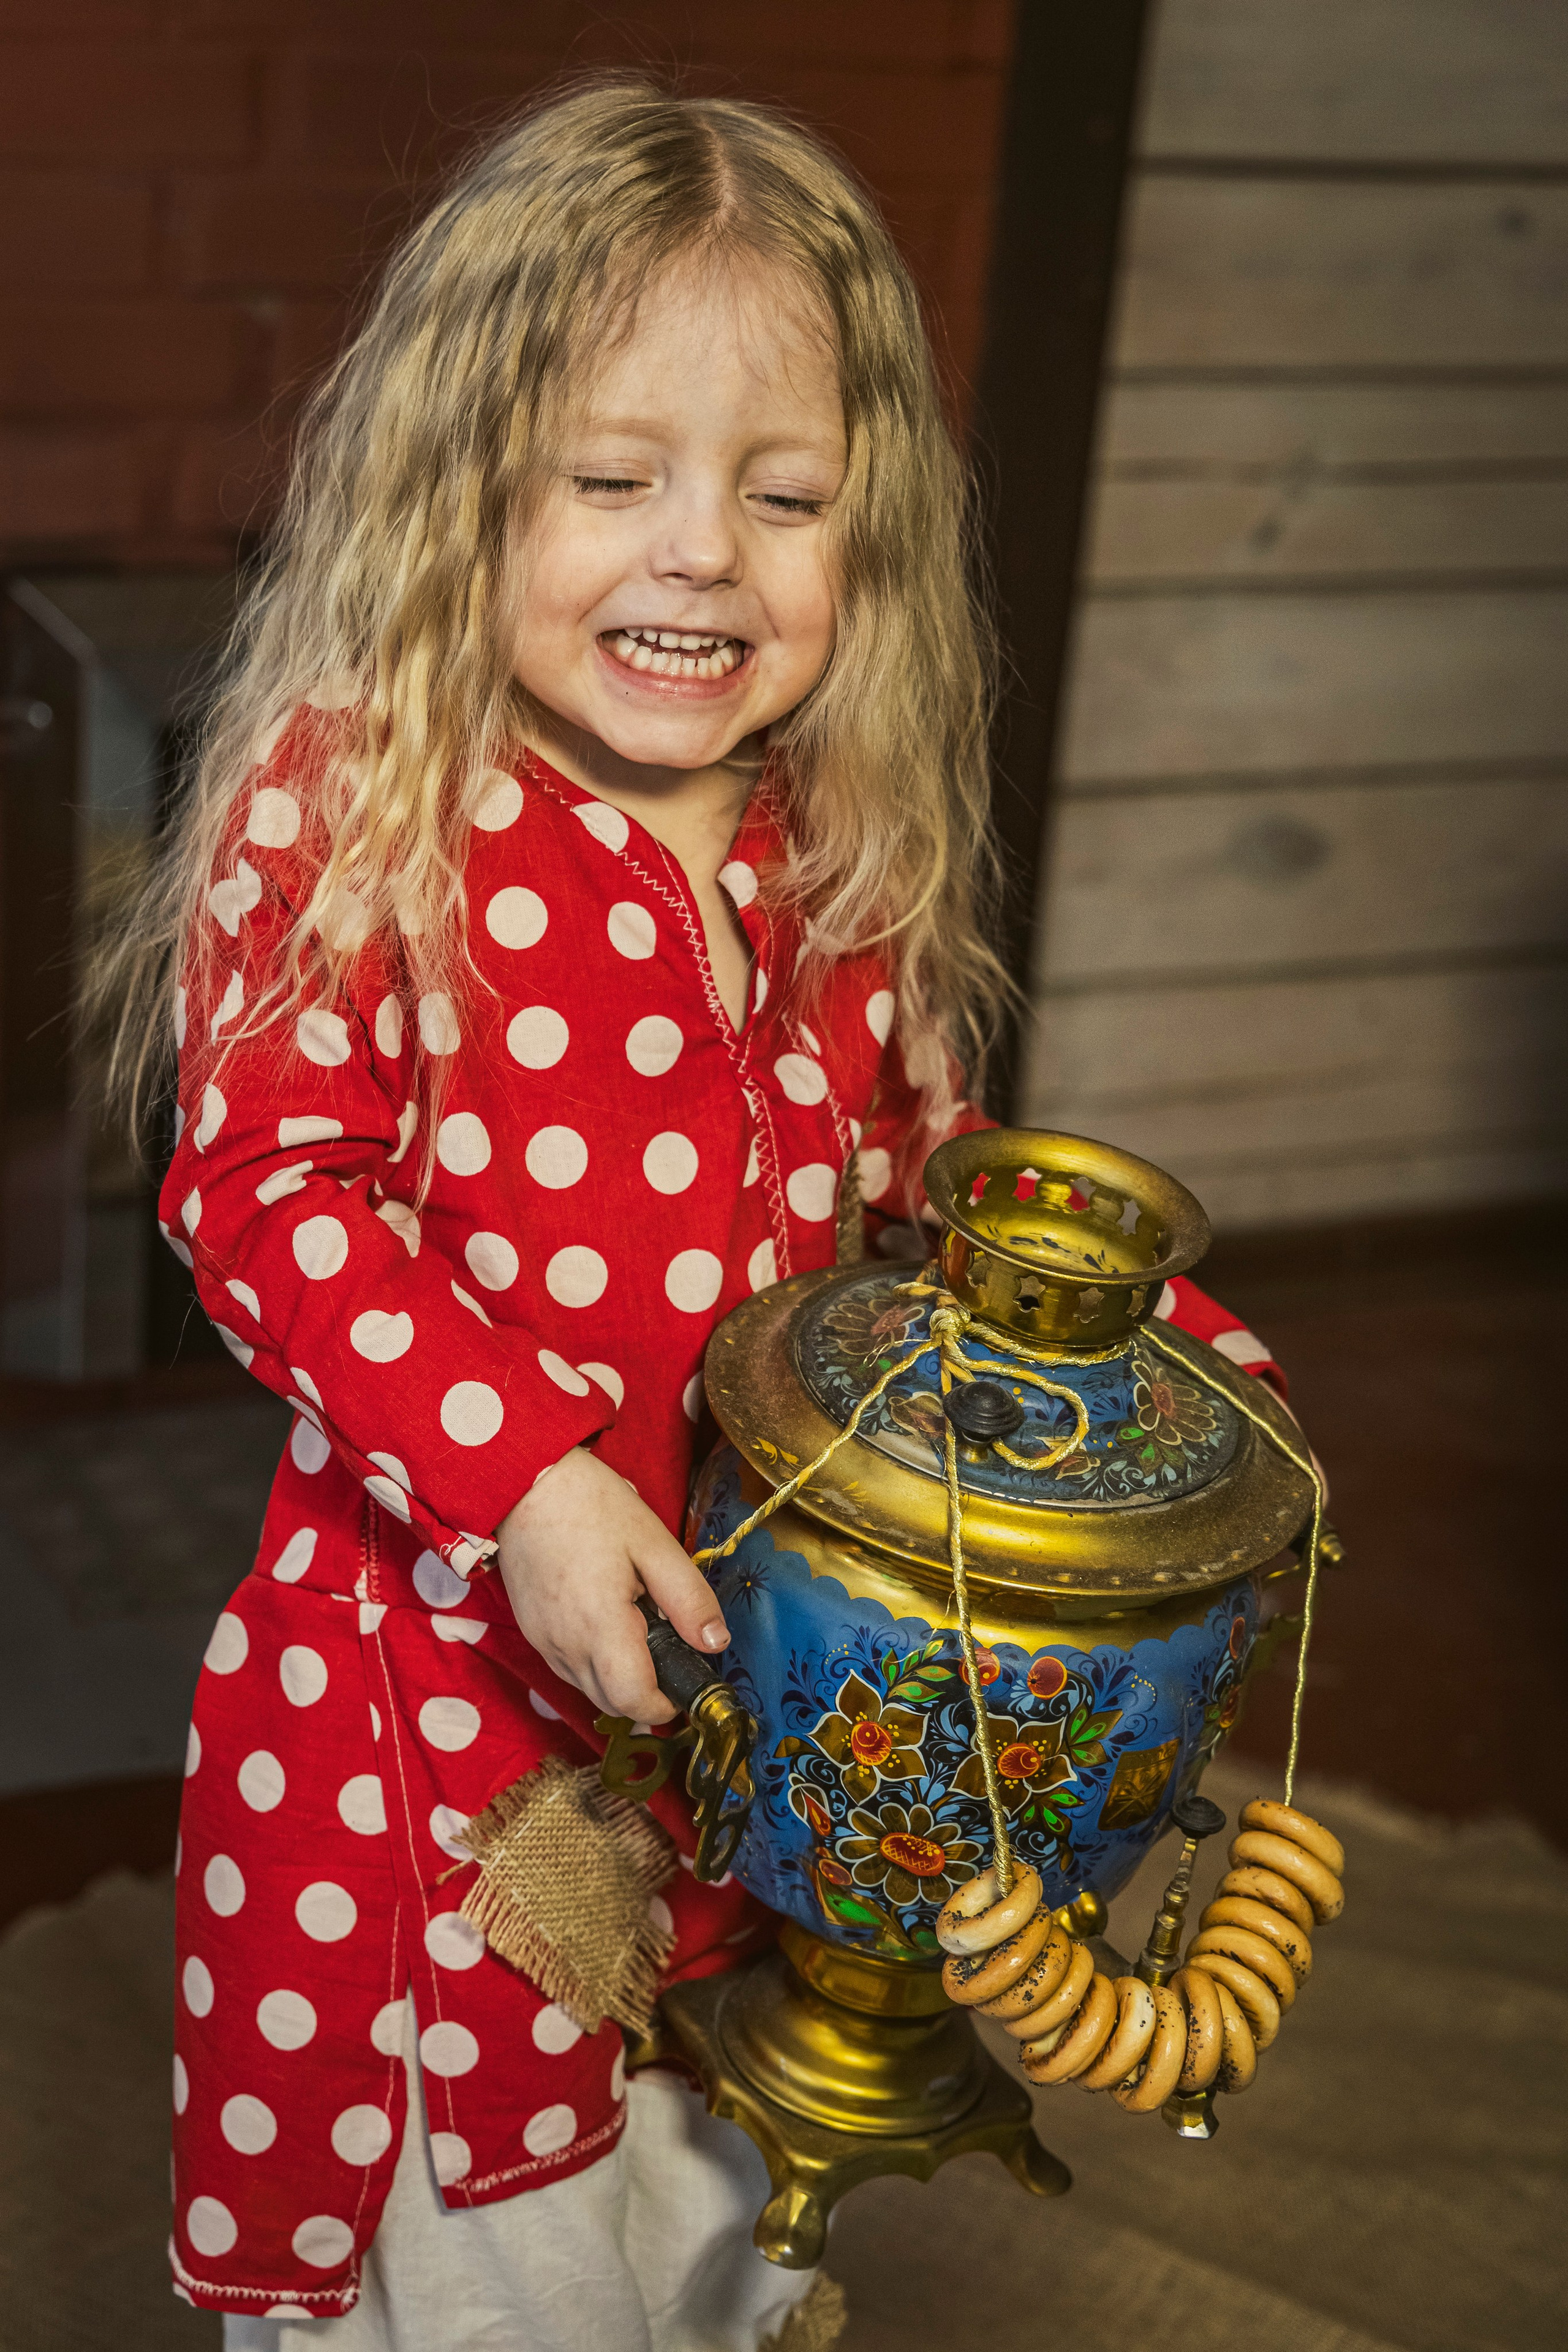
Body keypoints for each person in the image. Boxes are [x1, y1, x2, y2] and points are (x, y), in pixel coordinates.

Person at [101, 78, 1286, 2352]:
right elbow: (268, 1196)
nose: (703, 559)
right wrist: (525, 1483)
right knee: (483, 2250)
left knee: (709, 2200)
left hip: (754, 1701)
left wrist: (1176, 1376)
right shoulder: (360, 803)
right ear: (469, 493)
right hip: (434, 1725)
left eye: (786, 498)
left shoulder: (842, 846)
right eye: (615, 479)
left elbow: (937, 1226)